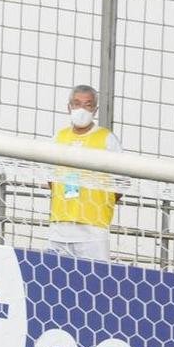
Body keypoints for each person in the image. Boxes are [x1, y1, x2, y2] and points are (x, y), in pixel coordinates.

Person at [49, 85, 123, 261]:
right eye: (76, 103)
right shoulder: (59, 138)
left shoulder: (107, 139)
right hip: (60, 228)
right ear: (68, 107)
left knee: (94, 284)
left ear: (95, 110)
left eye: (87, 105)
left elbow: (121, 183)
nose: (81, 109)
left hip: (93, 231)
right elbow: (50, 178)